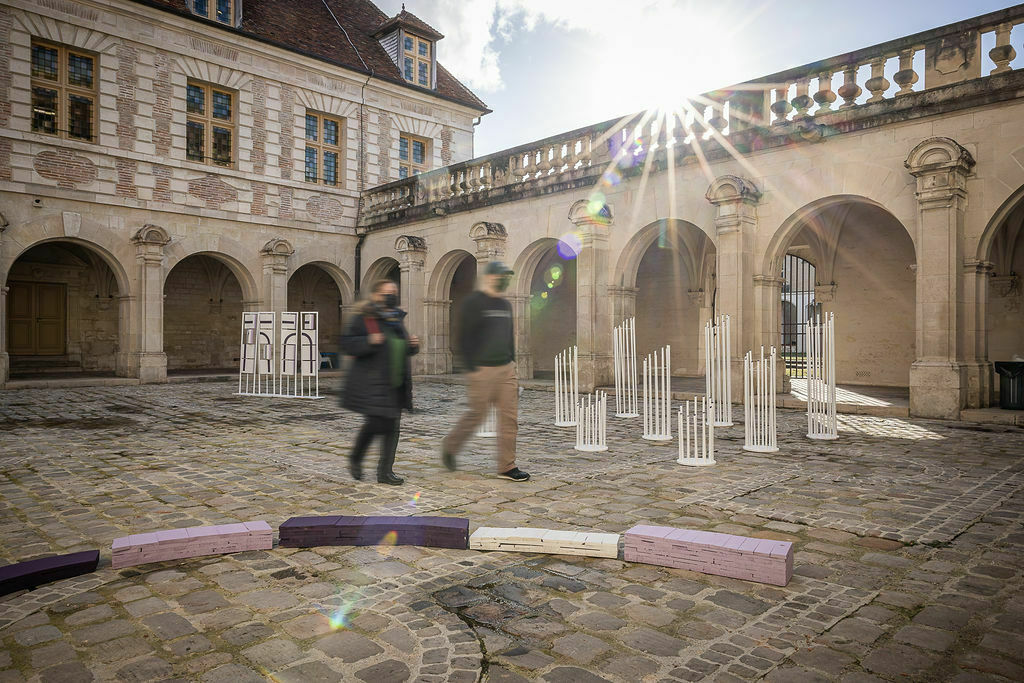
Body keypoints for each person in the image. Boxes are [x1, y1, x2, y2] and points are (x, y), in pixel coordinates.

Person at [441, 261, 530, 481]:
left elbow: (509, 336)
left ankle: (507, 467)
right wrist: (472, 368)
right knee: (477, 414)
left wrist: (512, 361)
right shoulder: (474, 303)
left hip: (506, 370)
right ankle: (450, 447)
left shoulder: (505, 305)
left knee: (509, 418)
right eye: (501, 276)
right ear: (490, 277)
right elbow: (463, 337)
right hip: (482, 370)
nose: (505, 281)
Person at [340, 279, 419, 485]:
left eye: (393, 293)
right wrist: (368, 341)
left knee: (393, 428)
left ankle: (385, 472)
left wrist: (412, 345)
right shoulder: (363, 318)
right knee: (375, 424)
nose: (391, 296)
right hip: (373, 382)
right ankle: (356, 458)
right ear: (376, 296)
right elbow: (347, 344)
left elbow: (399, 348)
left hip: (397, 382)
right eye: (386, 293)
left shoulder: (396, 319)